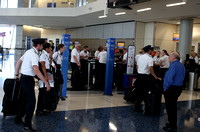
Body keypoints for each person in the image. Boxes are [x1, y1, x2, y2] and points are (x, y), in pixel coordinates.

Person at [15, 38, 50, 132]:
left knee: (24, 100)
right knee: (31, 102)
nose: (43, 47)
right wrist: (45, 82)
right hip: (28, 80)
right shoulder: (34, 54)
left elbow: (18, 62)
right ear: (38, 45)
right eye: (42, 45)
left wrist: (16, 74)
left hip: (23, 78)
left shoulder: (28, 52)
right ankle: (27, 126)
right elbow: (36, 70)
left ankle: (18, 119)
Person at [163, 52, 186, 132]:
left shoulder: (173, 65)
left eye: (169, 56)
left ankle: (172, 126)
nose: (168, 58)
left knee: (170, 107)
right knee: (173, 106)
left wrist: (165, 88)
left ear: (174, 57)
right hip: (178, 88)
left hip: (171, 89)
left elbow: (169, 78)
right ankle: (172, 123)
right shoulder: (181, 65)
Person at [135, 45, 160, 113]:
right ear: (149, 51)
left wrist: (140, 71)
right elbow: (150, 68)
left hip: (139, 76)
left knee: (139, 92)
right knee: (146, 93)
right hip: (145, 77)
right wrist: (155, 76)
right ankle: (147, 108)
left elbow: (137, 67)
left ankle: (137, 107)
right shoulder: (149, 58)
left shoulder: (140, 57)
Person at [36, 43, 55, 116]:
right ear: (46, 48)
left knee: (46, 91)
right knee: (42, 92)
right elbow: (42, 66)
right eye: (50, 48)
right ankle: (39, 110)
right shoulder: (43, 55)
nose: (50, 49)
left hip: (47, 73)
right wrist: (45, 76)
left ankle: (44, 108)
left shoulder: (46, 55)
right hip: (43, 74)